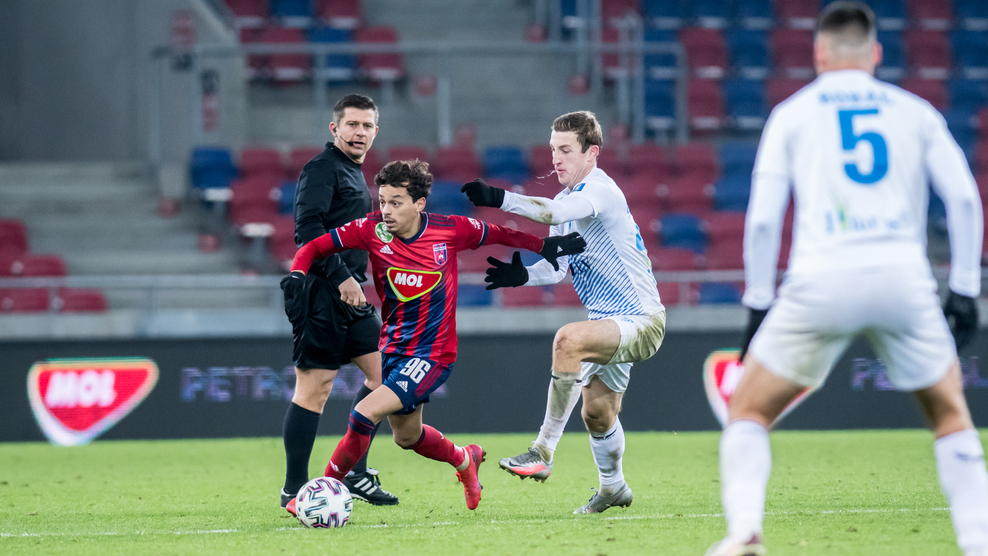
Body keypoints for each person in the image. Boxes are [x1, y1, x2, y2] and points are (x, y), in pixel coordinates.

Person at [706, 3, 987, 555]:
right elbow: (963, 199)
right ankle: (978, 542)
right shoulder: (915, 112)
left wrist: (759, 303)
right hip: (902, 279)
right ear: (876, 53)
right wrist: (965, 289)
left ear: (819, 53)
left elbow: (762, 221)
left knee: (749, 411)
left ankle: (745, 532)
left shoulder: (792, 113)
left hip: (821, 280)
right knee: (950, 413)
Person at [282, 159, 586, 512]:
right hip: (394, 348)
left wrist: (542, 246)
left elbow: (499, 233)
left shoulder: (449, 229)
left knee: (364, 414)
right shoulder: (371, 229)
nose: (386, 210)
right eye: (383, 201)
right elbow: (315, 246)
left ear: (419, 203)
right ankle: (464, 459)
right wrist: (298, 273)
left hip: (433, 354)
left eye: (396, 202)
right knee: (407, 436)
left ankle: (322, 493)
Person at [460, 110, 667, 514]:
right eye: (553, 149)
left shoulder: (600, 191)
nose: (556, 158)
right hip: (608, 322)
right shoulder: (564, 201)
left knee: (568, 341)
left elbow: (552, 216)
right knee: (598, 413)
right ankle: (613, 488)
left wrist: (501, 198)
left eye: (566, 149)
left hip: (641, 319)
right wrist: (523, 275)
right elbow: (558, 268)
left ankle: (543, 451)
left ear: (592, 152)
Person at [280, 94, 398, 511]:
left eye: (367, 126)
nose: (359, 132)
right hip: (320, 291)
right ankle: (293, 490)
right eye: (352, 124)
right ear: (335, 128)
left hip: (352, 293)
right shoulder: (321, 169)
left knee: (387, 377)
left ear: (375, 132)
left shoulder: (353, 172)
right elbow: (307, 230)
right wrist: (341, 275)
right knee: (315, 389)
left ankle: (354, 472)